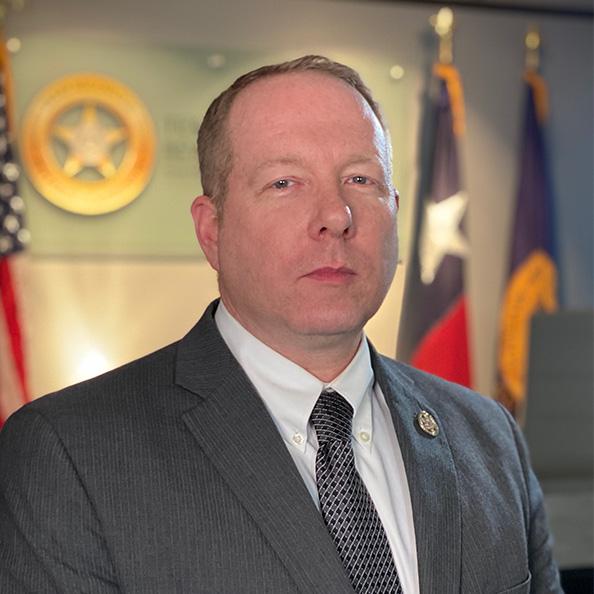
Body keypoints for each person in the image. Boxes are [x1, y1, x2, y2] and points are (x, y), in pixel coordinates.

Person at [0, 55, 562, 594]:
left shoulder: (489, 438)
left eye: (360, 180)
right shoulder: (69, 452)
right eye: (284, 183)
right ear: (211, 229)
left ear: (395, 208)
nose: (335, 218)